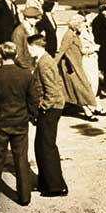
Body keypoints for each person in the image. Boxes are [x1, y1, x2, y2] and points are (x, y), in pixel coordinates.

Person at [0, 42, 39, 208]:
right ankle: (24, 197)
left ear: (1, 55)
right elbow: (33, 100)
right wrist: (32, 116)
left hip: (0, 123)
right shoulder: (26, 75)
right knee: (21, 159)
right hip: (20, 122)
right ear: (16, 55)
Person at [28, 34, 69, 197]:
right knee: (41, 145)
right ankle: (45, 183)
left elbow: (51, 90)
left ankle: (56, 186)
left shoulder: (45, 63)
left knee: (47, 147)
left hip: (50, 109)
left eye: (29, 47)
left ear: (35, 46)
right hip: (52, 107)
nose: (28, 50)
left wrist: (43, 107)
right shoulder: (44, 60)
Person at [57, 16, 104, 121]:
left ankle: (88, 109)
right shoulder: (68, 36)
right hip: (71, 66)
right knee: (79, 88)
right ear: (76, 25)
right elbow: (61, 51)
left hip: (77, 65)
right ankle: (87, 111)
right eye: (82, 24)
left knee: (79, 88)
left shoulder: (74, 34)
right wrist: (53, 64)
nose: (84, 25)